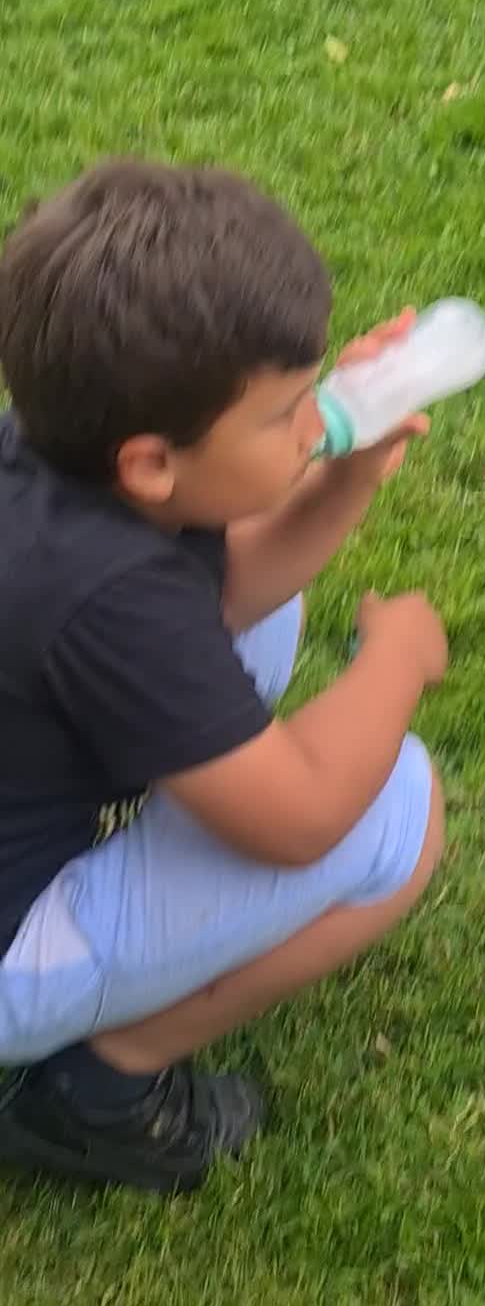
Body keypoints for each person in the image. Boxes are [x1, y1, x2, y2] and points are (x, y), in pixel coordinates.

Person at [0, 160, 448, 1195]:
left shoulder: (50, 454)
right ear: (151, 463)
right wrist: (398, 658)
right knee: (395, 812)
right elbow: (302, 818)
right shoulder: (116, 600)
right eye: (286, 413)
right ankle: (100, 1092)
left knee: (259, 610)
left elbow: (227, 587)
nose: (313, 423)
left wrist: (344, 470)